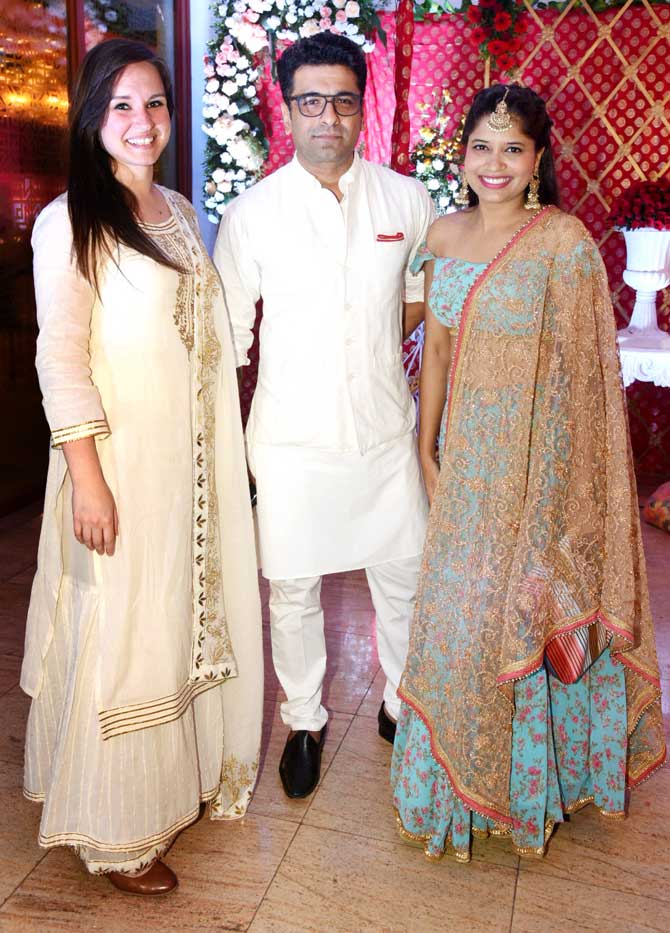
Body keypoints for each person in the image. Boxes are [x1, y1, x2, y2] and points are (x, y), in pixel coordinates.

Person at [392, 84, 666, 861]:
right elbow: (435, 349)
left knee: (515, 611)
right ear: (463, 155)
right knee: (456, 617)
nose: (496, 163)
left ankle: (525, 789)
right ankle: (453, 786)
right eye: (482, 146)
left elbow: (586, 377)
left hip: (537, 466)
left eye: (513, 148)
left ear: (539, 158)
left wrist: (556, 493)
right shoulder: (443, 236)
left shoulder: (563, 242)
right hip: (464, 462)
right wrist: (426, 447)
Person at [21, 38, 263, 894]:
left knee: (175, 619)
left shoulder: (180, 212)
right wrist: (88, 477)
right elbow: (62, 357)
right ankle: (117, 831)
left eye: (154, 103)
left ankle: (170, 791)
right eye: (121, 105)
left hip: (188, 461)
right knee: (122, 629)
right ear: (92, 117)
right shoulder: (68, 222)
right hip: (118, 460)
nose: (141, 121)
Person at [213, 32, 433, 799]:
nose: (327, 118)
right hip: (291, 441)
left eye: (343, 99)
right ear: (288, 106)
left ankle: (401, 705)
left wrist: (367, 342)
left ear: (361, 104)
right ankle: (304, 718)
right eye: (311, 101)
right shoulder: (252, 214)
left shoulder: (406, 199)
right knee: (295, 590)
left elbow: (425, 296)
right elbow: (227, 334)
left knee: (404, 575)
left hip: (381, 432)